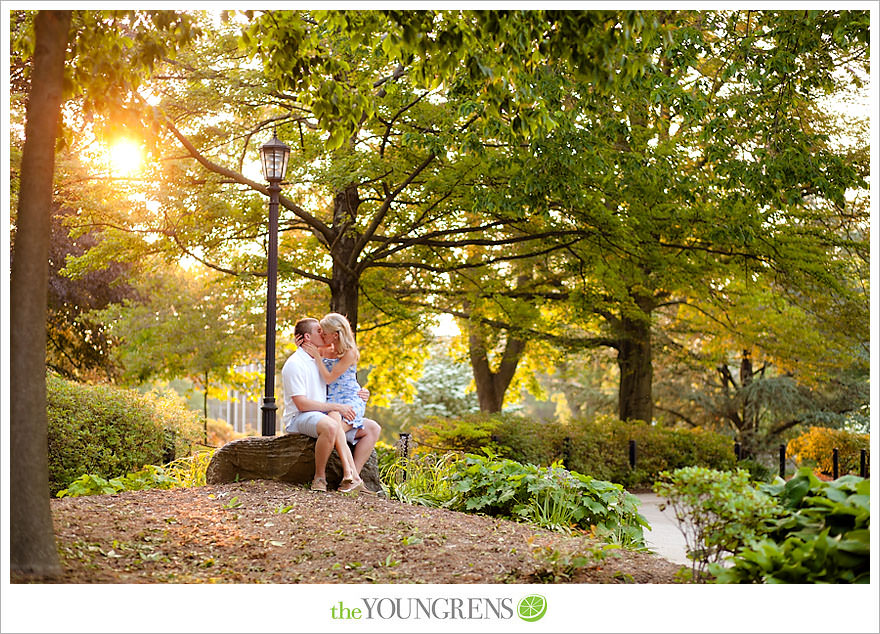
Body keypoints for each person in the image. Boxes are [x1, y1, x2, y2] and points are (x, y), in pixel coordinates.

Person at [281, 317, 380, 493]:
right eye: (319, 331)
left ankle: (352, 479)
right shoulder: (296, 364)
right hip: (303, 415)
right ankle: (320, 478)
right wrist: (337, 407)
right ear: (308, 337)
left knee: (372, 427)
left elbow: (342, 378)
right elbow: (302, 404)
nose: (323, 334)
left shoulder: (321, 354)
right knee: (332, 424)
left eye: (323, 331)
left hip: (327, 409)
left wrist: (361, 392)